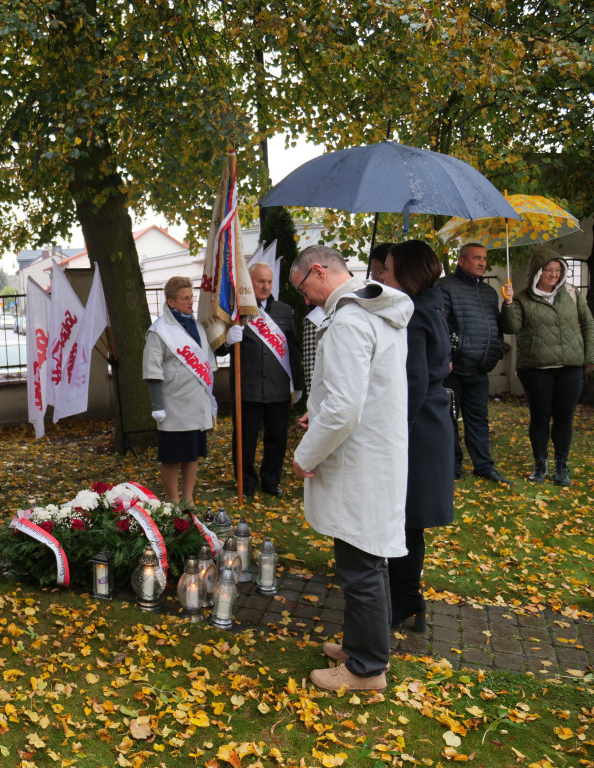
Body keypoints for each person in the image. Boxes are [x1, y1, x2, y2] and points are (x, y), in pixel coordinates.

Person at [290, 245, 413, 692]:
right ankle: (360, 645)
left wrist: (306, 454)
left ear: (319, 271)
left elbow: (344, 409)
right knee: (365, 558)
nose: (305, 300)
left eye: (303, 288)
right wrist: (315, 409)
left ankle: (366, 667)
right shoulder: (375, 312)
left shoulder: (349, 320)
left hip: (359, 459)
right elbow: (357, 391)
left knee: (361, 563)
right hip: (375, 452)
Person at [381, 240, 455, 631]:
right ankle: (410, 601)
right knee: (410, 522)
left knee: (405, 520)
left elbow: (413, 384)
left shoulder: (415, 316)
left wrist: (396, 438)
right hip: (431, 424)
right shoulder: (431, 306)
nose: (382, 275)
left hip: (417, 430)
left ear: (407, 273)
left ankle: (404, 601)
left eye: (388, 269)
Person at [500, 248, 594, 486]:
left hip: (570, 367)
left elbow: (588, 324)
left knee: (565, 418)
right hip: (536, 368)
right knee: (540, 417)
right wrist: (508, 303)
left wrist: (589, 356)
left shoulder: (571, 293)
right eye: (548, 270)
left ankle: (561, 467)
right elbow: (511, 328)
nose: (553, 274)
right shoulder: (521, 297)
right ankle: (540, 465)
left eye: (557, 270)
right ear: (537, 272)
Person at [222, 262, 303, 497]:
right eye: (260, 281)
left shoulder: (284, 310)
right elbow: (219, 350)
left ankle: (271, 480)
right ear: (250, 282)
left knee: (277, 439)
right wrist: (227, 342)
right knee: (245, 441)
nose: (266, 286)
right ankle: (245, 483)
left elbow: (294, 349)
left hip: (278, 388)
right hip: (247, 389)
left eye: (269, 281)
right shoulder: (236, 310)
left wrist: (297, 385)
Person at [438, 242, 514, 485]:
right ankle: (453, 466)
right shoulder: (445, 286)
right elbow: (443, 325)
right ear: (461, 260)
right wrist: (450, 355)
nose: (482, 263)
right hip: (454, 368)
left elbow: (499, 327)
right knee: (449, 419)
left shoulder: (490, 292)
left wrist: (509, 304)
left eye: (484, 259)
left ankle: (483, 466)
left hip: (480, 368)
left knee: (479, 420)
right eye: (476, 258)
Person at [143, 276, 216, 505]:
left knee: (192, 454)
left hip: (195, 403)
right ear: (171, 302)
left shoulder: (196, 326)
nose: (190, 302)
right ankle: (174, 499)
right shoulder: (159, 331)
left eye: (191, 297)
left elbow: (205, 360)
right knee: (172, 457)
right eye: (185, 298)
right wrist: (158, 406)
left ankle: (188, 497)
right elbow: (152, 370)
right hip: (173, 405)